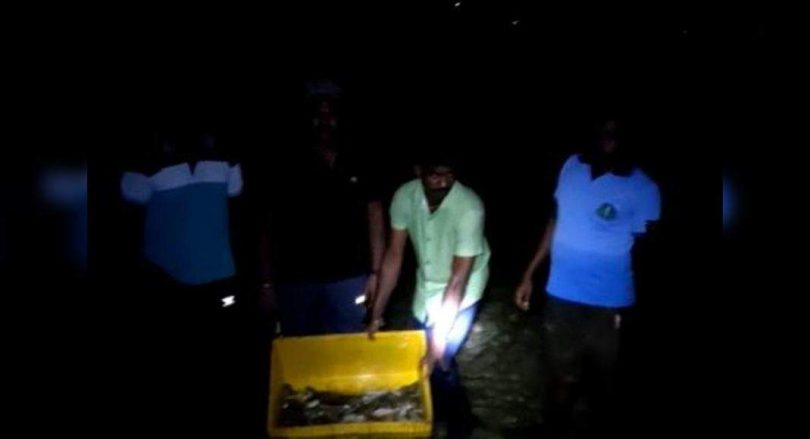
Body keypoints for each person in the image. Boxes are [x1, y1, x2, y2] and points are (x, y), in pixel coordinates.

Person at [515, 119, 661, 437]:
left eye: (615, 132)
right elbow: (554, 221)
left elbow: (645, 252)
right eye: (602, 130)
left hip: (610, 304)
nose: (608, 138)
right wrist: (529, 274)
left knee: (607, 385)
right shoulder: (571, 166)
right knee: (559, 376)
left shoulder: (644, 188)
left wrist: (632, 308)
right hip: (560, 295)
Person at [120, 131, 247, 435]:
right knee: (174, 356)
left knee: (220, 354)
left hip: (220, 277)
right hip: (167, 279)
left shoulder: (226, 155)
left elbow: (237, 193)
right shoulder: (146, 156)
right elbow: (130, 200)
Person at [368, 150, 490, 438]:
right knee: (426, 353)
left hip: (465, 285)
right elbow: (394, 255)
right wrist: (376, 313)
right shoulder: (404, 197)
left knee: (442, 354)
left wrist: (437, 344)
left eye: (449, 175)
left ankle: (460, 424)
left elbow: (458, 282)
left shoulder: (470, 207)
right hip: (428, 281)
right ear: (418, 172)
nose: (443, 183)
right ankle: (442, 412)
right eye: (434, 175)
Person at [264, 83, 385, 336]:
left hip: (349, 278)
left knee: (347, 347)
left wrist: (376, 272)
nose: (324, 121)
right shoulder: (284, 159)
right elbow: (266, 223)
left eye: (330, 114)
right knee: (300, 353)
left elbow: (375, 215)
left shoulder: (358, 155)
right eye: (318, 115)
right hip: (295, 279)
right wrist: (266, 282)